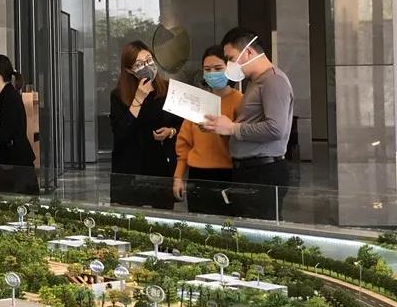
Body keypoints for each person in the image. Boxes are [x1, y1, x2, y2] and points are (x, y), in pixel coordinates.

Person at [203, 27, 294, 220]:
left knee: (260, 229)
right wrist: (221, 127)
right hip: (249, 170)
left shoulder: (273, 81)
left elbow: (275, 128)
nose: (229, 65)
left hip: (263, 171)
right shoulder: (256, 81)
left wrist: (232, 128)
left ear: (249, 52)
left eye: (231, 58)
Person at [110, 40, 182, 209]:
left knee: (162, 217)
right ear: (129, 70)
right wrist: (138, 99)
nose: (147, 66)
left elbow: (183, 124)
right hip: (131, 167)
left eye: (149, 60)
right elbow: (120, 132)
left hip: (161, 165)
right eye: (139, 64)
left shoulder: (168, 89)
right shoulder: (118, 95)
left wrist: (171, 131)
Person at [173, 45, 242, 216]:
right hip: (197, 174)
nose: (212, 73)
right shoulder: (198, 100)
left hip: (228, 174)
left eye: (218, 68)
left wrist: (224, 131)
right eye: (207, 69)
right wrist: (178, 176)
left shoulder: (240, 101)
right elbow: (184, 143)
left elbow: (243, 138)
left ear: (229, 68)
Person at [0, 54, 40, 195]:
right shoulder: (0, 96)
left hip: (16, 162)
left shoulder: (10, 97)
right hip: (7, 159)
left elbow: (7, 132)